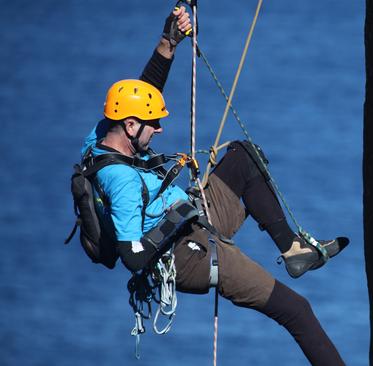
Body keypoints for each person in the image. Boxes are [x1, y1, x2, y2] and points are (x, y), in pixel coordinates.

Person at [82, 7, 348, 365]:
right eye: (152, 124)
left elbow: (143, 93)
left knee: (243, 156)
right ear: (130, 126)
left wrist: (168, 43)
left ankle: (293, 250)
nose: (158, 129)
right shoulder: (122, 182)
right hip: (185, 254)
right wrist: (177, 217)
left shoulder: (101, 136)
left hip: (190, 217)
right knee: (297, 311)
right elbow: (133, 258)